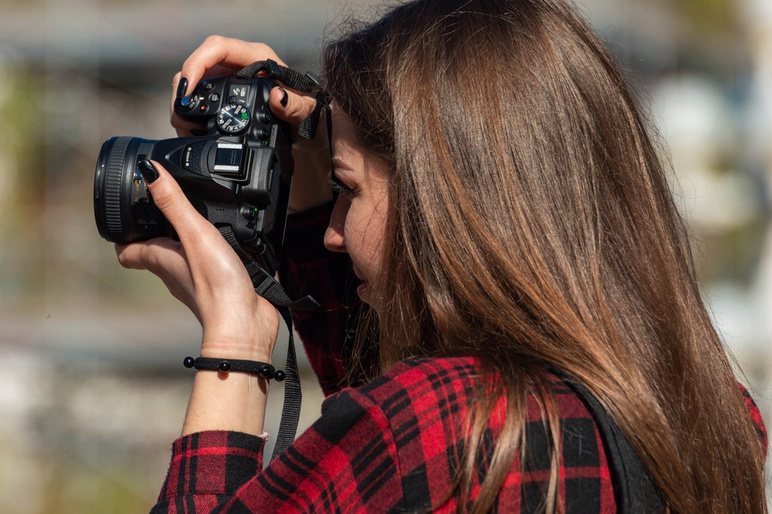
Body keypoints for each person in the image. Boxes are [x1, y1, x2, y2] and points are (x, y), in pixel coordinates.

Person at [115, 0, 768, 512]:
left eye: (349, 192)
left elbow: (396, 428)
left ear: (443, 205)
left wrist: (234, 341)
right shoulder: (714, 414)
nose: (333, 234)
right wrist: (315, 165)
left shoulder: (436, 428)